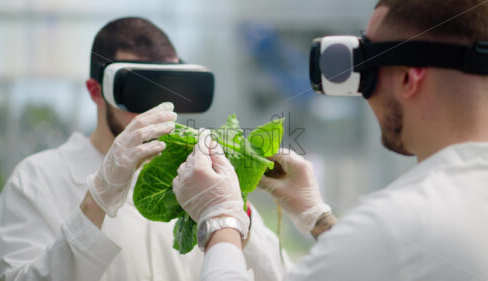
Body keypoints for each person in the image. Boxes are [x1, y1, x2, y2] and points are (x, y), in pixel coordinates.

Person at [172, 0, 488, 280]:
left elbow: (392, 247)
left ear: (408, 77)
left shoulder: (397, 223)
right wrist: (317, 218)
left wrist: (220, 219)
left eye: (367, 74)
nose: (366, 97)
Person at [0, 17, 289, 281]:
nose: (158, 106)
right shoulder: (36, 180)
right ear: (95, 91)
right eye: (140, 90)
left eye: (169, 89)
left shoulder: (203, 177)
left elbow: (279, 274)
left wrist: (235, 208)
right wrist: (99, 197)